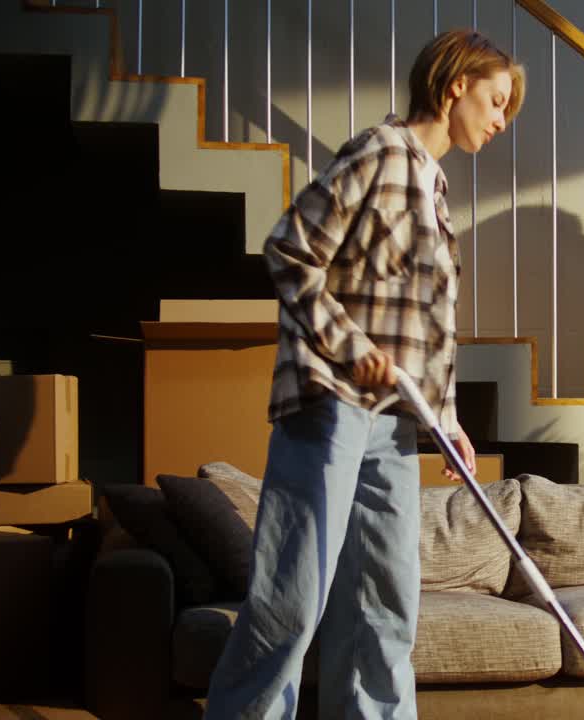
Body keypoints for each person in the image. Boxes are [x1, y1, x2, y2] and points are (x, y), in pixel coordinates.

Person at [203, 30, 525, 720]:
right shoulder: (380, 153)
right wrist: (350, 346)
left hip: (393, 422)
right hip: (332, 402)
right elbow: (290, 250)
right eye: (497, 102)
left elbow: (420, 325)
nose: (501, 121)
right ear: (455, 84)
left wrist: (446, 417)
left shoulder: (435, 187)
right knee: (293, 596)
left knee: (386, 601)